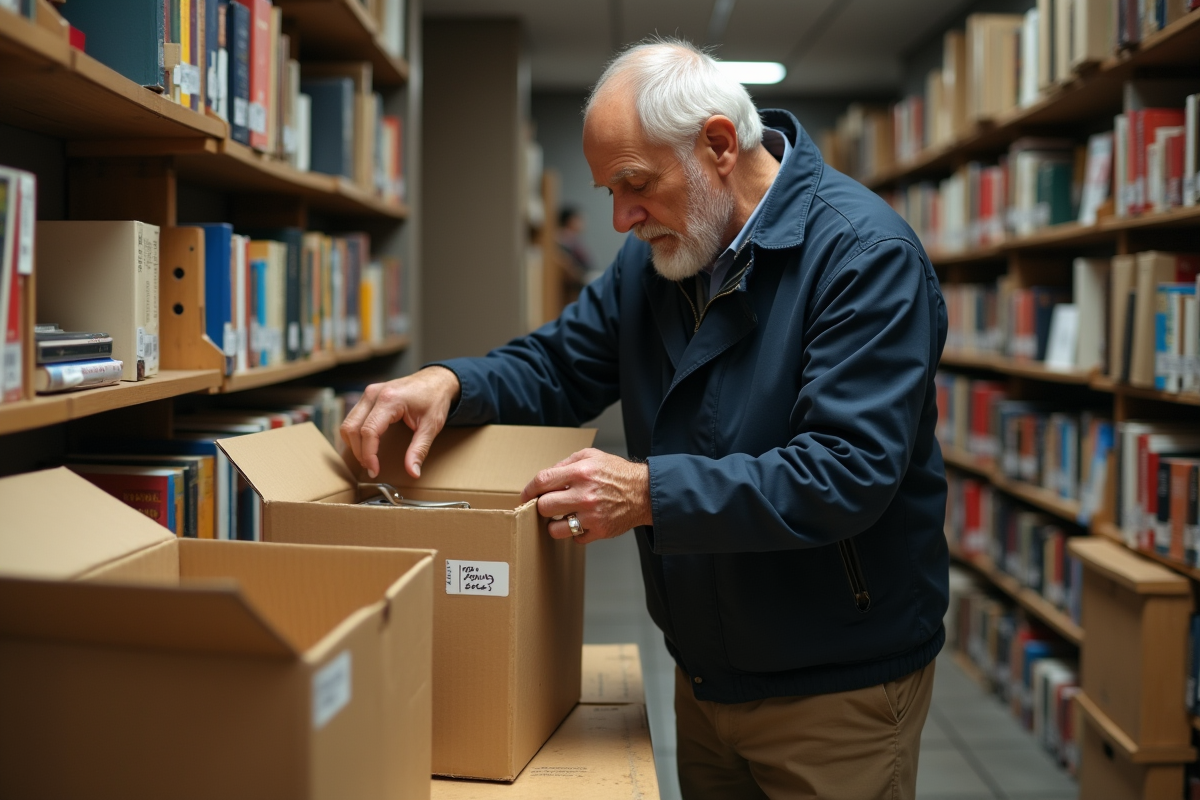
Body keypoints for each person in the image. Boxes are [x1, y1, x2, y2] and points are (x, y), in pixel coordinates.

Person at [342, 37, 949, 800]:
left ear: (719, 146)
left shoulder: (863, 256)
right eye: (610, 192)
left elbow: (844, 471)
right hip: (705, 669)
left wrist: (646, 492)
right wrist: (452, 382)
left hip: (835, 684)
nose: (622, 218)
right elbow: (559, 366)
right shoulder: (662, 257)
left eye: (636, 184)